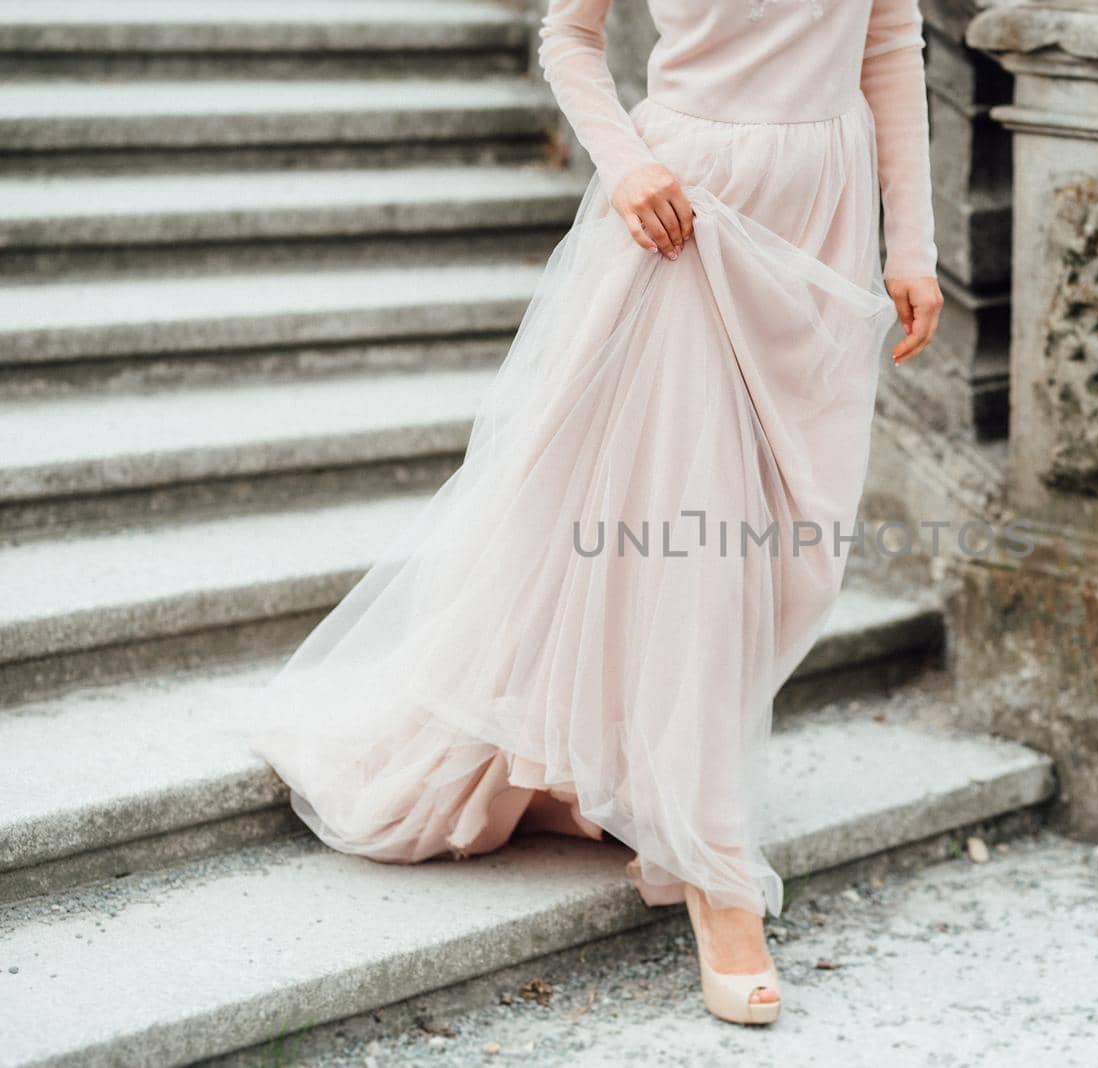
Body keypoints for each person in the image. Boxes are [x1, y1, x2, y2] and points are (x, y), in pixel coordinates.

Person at [249, 0, 942, 1027]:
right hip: (685, 217)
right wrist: (625, 163)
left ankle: (627, 773)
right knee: (694, 549)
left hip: (825, 222)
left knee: (799, 557)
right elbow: (567, 39)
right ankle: (717, 880)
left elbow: (889, 43)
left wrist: (911, 242)